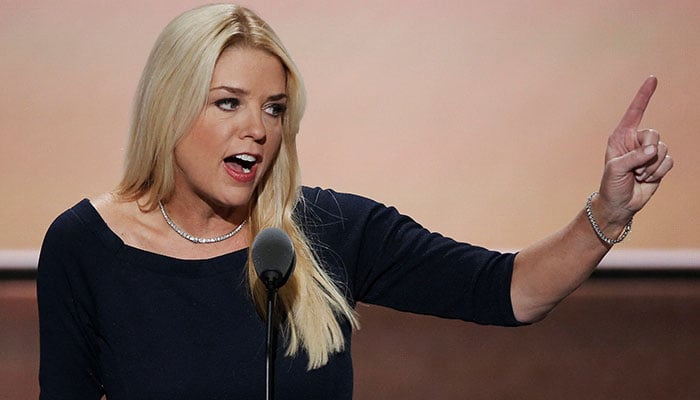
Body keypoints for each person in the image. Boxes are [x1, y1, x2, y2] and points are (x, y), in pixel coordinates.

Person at [36, 4, 673, 400]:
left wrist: (608, 214)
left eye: (274, 108)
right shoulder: (85, 245)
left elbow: (509, 291)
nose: (257, 129)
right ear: (169, 105)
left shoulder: (329, 229)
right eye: (228, 102)